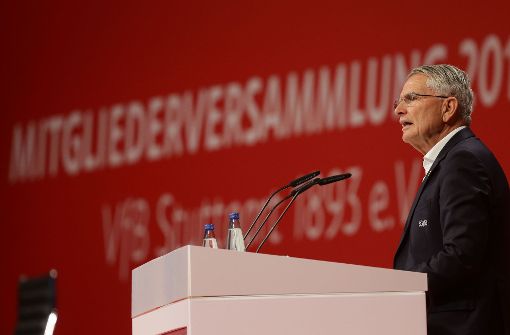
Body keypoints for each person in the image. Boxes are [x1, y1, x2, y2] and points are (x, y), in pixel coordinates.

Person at [393, 64, 510, 335]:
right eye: (398, 101)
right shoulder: (452, 162)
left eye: (411, 98)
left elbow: (462, 255)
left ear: (448, 108)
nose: (399, 109)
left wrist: (400, 287)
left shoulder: (463, 160)